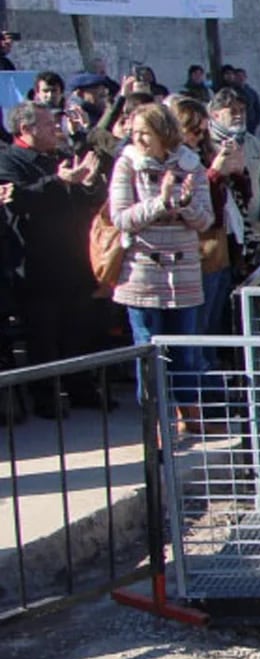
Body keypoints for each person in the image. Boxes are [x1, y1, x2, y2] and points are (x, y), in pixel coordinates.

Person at [109, 103, 215, 433]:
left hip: (183, 274)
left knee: (184, 352)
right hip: (142, 274)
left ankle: (190, 414)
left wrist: (183, 205)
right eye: (135, 132)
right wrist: (160, 203)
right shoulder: (127, 165)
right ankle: (155, 422)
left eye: (146, 132)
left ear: (164, 133)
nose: (139, 138)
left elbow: (206, 218)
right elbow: (122, 218)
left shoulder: (191, 165)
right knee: (149, 354)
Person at [0, 102, 105, 417]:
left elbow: (87, 196)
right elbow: (17, 199)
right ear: (26, 129)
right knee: (43, 335)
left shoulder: (60, 156)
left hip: (73, 258)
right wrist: (59, 182)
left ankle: (81, 388)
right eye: (49, 126)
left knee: (78, 329)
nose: (57, 131)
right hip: (35, 264)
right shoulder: (8, 159)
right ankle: (46, 397)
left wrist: (88, 184)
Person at [169, 96, 246, 339]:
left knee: (213, 324)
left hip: (222, 242)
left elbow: (242, 196)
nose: (199, 138)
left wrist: (237, 171)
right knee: (200, 328)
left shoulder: (204, 151)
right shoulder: (177, 161)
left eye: (203, 132)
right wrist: (214, 173)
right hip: (200, 248)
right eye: (194, 131)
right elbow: (199, 207)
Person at [211, 88, 260, 232]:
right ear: (216, 115)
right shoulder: (207, 145)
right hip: (222, 231)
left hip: (253, 228)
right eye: (233, 111)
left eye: (242, 111)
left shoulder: (254, 144)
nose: (239, 116)